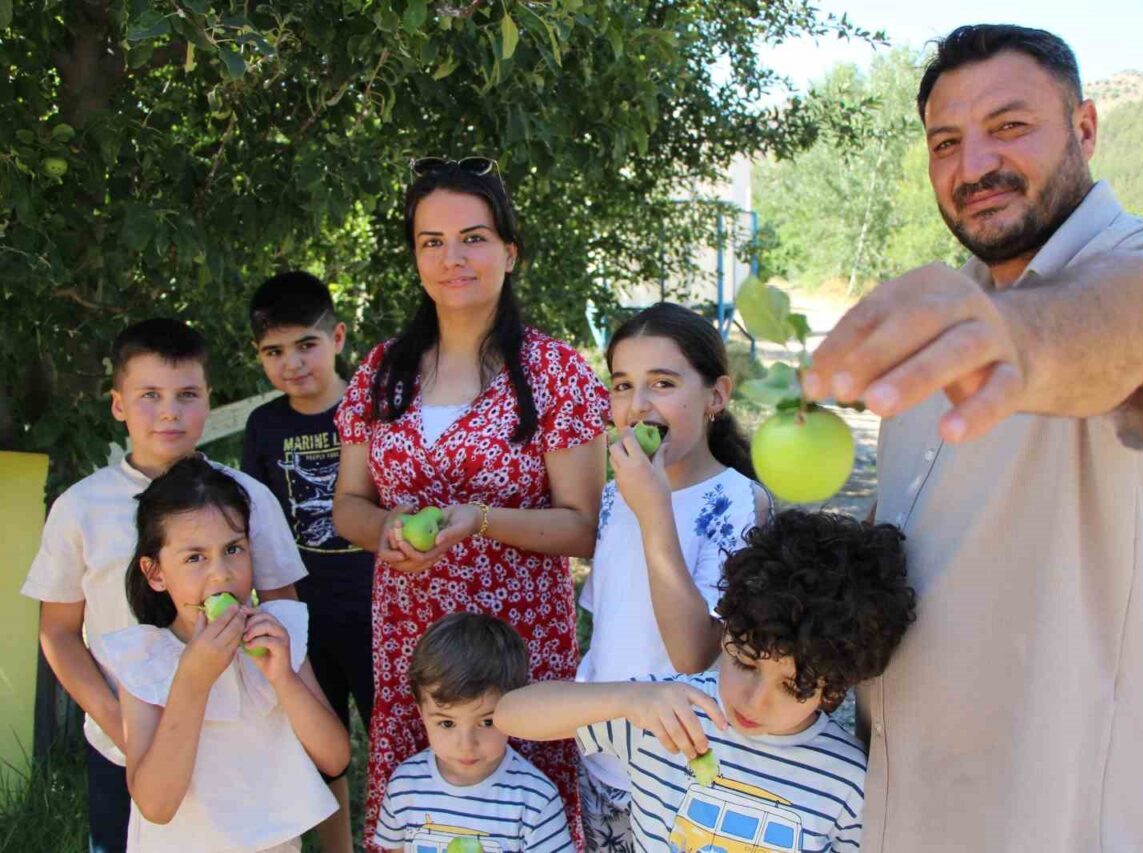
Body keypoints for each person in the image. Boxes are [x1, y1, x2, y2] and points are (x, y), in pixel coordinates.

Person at [801, 25, 1143, 853]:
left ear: (1084, 128)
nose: (974, 166)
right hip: (903, 802)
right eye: (946, 142)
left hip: (1059, 818)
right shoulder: (948, 319)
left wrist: (1016, 336)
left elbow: (1130, 323)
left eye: (1009, 126)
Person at [332, 156, 609, 849]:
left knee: (526, 819)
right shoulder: (381, 371)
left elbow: (584, 527)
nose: (452, 258)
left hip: (518, 642)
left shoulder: (555, 372)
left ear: (509, 252)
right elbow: (348, 505)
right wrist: (387, 528)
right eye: (432, 241)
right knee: (418, 818)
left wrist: (480, 521)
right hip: (412, 633)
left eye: (473, 238)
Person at [21, 318, 306, 853]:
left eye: (187, 394)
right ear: (118, 404)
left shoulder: (248, 498)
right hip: (122, 745)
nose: (170, 411)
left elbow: (285, 610)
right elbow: (57, 632)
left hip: (234, 744)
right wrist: (117, 722)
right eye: (150, 395)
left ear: (208, 399)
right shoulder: (80, 507)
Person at [496, 510, 916, 852]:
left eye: (792, 687)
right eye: (745, 664)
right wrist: (627, 698)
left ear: (834, 689)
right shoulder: (667, 711)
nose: (754, 700)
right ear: (725, 630)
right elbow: (511, 715)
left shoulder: (847, 780)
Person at [578, 302, 769, 849]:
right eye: (622, 385)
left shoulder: (739, 502)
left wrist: (654, 511)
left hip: (683, 774)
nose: (638, 405)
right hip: (602, 760)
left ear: (716, 396)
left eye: (662, 383)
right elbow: (610, 627)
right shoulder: (615, 494)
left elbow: (693, 653)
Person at [97, 457, 349, 852]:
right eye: (194, 557)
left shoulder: (277, 634)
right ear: (156, 573)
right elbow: (156, 805)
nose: (221, 573)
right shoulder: (146, 660)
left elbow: (334, 759)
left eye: (233, 549)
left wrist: (283, 678)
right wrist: (192, 682)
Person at [242, 270, 375, 853]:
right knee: (321, 752)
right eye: (274, 352)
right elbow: (252, 522)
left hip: (380, 610)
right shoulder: (264, 426)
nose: (291, 364)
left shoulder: (373, 411)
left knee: (397, 738)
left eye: (306, 345)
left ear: (338, 337)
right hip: (300, 614)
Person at [374, 612, 573, 852]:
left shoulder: (535, 799)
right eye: (447, 723)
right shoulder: (404, 785)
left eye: (487, 722)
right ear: (421, 713)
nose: (466, 744)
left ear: (515, 710)